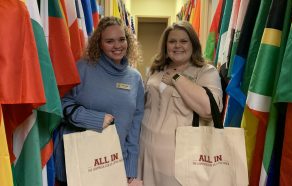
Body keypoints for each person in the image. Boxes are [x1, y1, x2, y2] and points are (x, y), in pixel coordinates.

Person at [54, 16, 144, 185]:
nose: (117, 46)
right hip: (80, 161)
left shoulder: (135, 78)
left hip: (114, 163)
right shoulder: (83, 68)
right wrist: (94, 119)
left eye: (121, 39)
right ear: (99, 44)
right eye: (109, 41)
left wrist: (130, 168)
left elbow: (134, 127)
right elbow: (60, 105)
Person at [137, 21, 223, 186]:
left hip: (182, 160)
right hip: (146, 154)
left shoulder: (205, 72)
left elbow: (209, 109)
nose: (177, 46)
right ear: (166, 46)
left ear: (193, 44)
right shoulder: (155, 70)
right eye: (172, 41)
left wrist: (177, 78)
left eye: (184, 41)